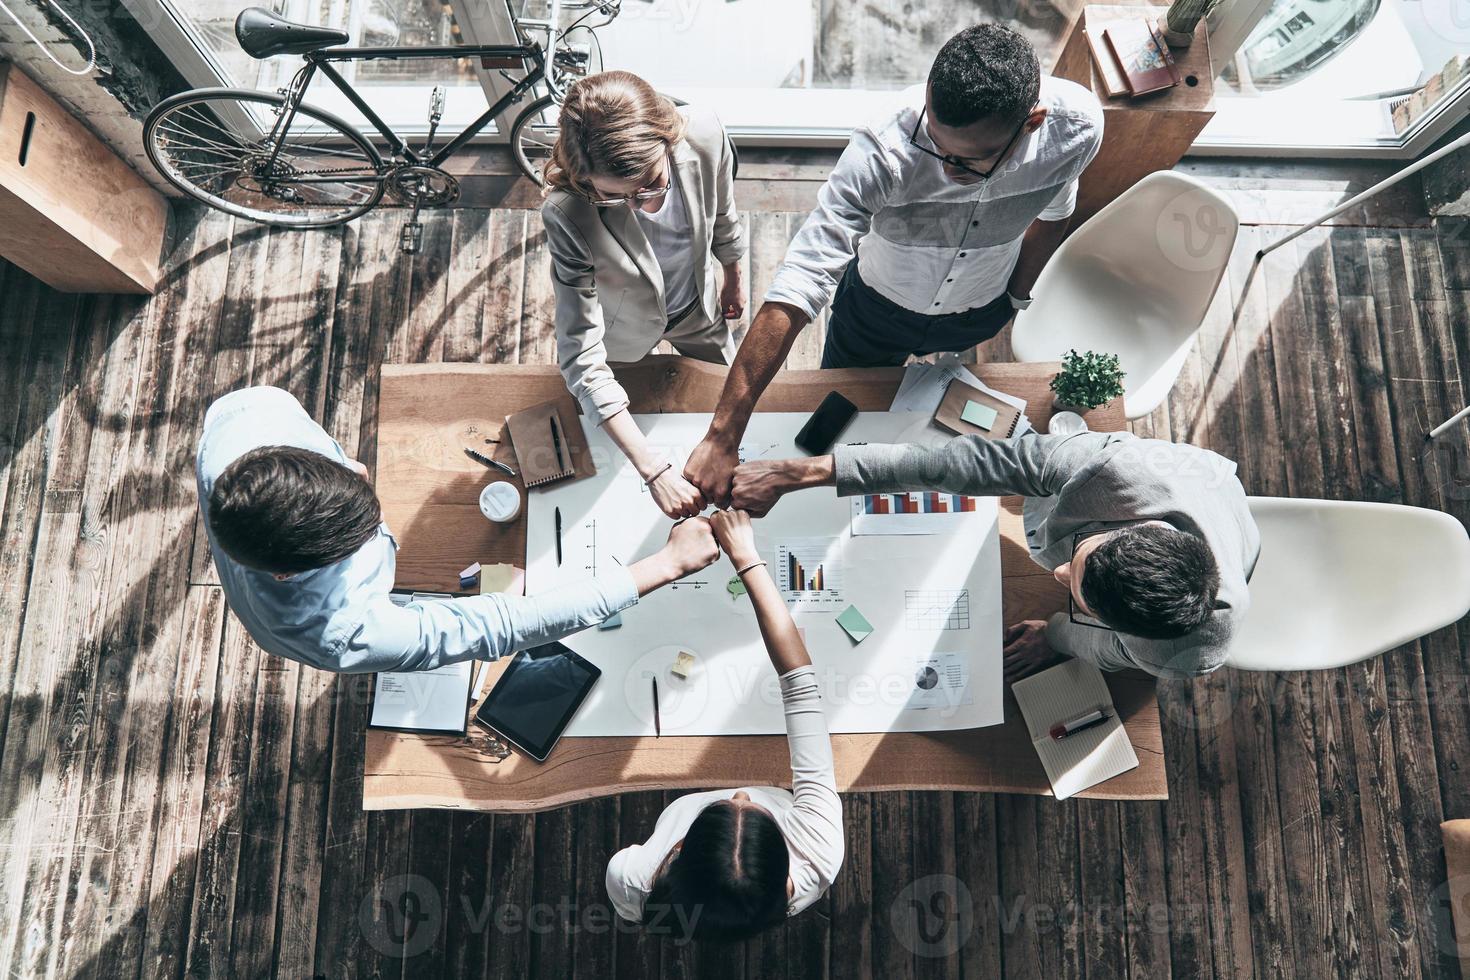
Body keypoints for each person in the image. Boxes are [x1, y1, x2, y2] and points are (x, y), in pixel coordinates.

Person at [684, 24, 1103, 504]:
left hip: (980, 308)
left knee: (934, 401)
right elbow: (802, 278)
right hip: (876, 308)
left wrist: (1014, 297)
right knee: (844, 391)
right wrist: (722, 435)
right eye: (934, 146)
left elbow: (1055, 210)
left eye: (967, 163)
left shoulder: (1078, 130)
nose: (945, 169)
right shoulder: (883, 149)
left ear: (1032, 122)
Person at [196, 386, 721, 673]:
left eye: (346, 471)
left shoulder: (251, 417)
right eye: (358, 532)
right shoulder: (345, 635)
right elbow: (501, 627)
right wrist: (667, 564)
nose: (360, 468)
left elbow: (344, 475)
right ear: (294, 572)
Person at [727, 432, 1259, 680]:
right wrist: (806, 471)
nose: (1056, 570)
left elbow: (1108, 651)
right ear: (1129, 525)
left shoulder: (1178, 656)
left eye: (1073, 589)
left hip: (1234, 537)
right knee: (1033, 465)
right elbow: (963, 463)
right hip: (1188, 477)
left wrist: (1056, 635)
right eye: (1081, 552)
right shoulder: (1113, 470)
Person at [606, 509, 844, 941]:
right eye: (752, 807)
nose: (739, 792)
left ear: (678, 851)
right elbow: (801, 687)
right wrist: (747, 559)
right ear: (783, 866)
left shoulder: (633, 878)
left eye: (724, 805)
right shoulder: (818, 850)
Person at [542, 70, 746, 520]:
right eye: (619, 198)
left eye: (652, 183)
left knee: (731, 406)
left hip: (698, 308)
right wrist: (654, 471)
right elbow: (580, 354)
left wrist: (732, 273)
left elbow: (725, 214)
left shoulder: (708, 133)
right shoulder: (566, 211)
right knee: (604, 434)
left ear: (667, 140)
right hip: (623, 332)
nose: (644, 205)